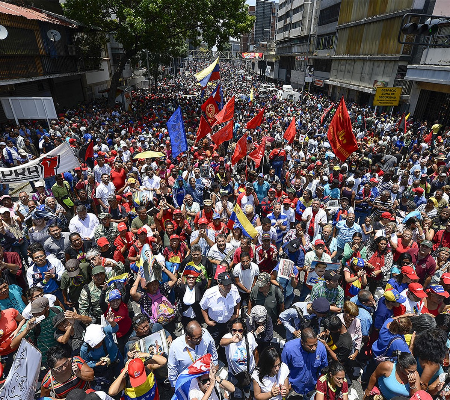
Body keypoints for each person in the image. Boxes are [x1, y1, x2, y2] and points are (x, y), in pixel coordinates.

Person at [79, 312, 124, 392]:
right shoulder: (84, 349)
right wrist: (96, 364)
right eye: (95, 345)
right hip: (102, 369)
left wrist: (112, 322)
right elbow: (85, 363)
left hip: (116, 359)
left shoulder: (104, 331)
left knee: (122, 377)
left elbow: (115, 328)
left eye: (100, 342)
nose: (98, 345)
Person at [167, 320, 218, 387]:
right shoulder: (176, 346)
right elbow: (172, 367)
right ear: (188, 338)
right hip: (188, 379)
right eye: (197, 338)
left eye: (201, 336)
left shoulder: (205, 335)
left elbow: (212, 349)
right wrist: (174, 385)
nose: (201, 339)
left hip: (204, 374)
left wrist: (215, 363)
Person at [281, 328, 328, 398]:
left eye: (316, 344)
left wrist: (320, 383)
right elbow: (283, 369)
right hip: (293, 389)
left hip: (313, 388)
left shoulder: (321, 348)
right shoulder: (289, 349)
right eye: (310, 346)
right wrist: (287, 384)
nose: (314, 348)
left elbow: (324, 368)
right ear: (302, 342)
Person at [220, 317, 258, 400]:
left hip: (248, 372)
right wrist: (232, 340)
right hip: (234, 373)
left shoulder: (249, 336)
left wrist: (256, 366)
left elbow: (255, 351)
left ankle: (247, 394)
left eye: (240, 330)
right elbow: (221, 342)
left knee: (247, 387)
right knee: (231, 390)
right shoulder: (228, 337)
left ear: (243, 330)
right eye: (234, 330)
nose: (237, 333)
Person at [200, 272, 241, 345]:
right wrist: (207, 321)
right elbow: (203, 307)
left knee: (228, 344)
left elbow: (238, 301)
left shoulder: (234, 290)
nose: (229, 287)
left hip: (229, 324)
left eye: (229, 284)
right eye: (226, 285)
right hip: (215, 325)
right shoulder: (209, 294)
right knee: (213, 344)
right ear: (219, 283)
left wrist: (236, 314)